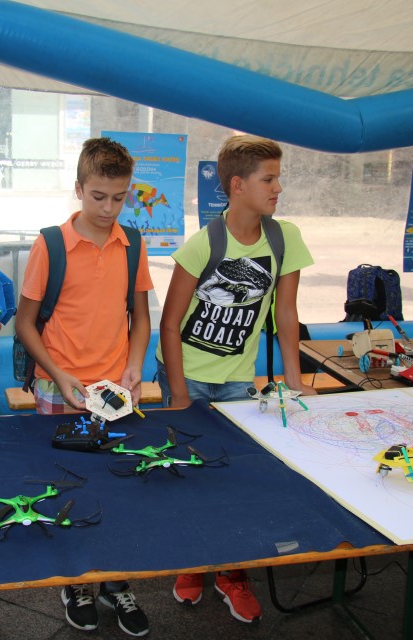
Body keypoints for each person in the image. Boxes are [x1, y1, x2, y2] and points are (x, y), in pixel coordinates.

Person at [157, 134, 315, 623]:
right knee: (188, 475)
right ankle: (193, 562)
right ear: (237, 185)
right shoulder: (204, 244)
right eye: (269, 179)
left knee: (235, 480)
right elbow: (169, 324)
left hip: (237, 382)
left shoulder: (285, 238)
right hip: (186, 377)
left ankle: (233, 572)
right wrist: (178, 393)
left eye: (278, 178)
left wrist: (294, 380)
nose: (278, 188)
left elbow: (286, 314)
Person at [15, 137, 153, 637]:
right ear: (78, 189)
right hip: (60, 388)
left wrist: (134, 367)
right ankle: (76, 580)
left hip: (115, 390)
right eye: (98, 196)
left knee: (117, 485)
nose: (108, 208)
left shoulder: (132, 243)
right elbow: (24, 323)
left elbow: (141, 316)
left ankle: (115, 580)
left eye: (119, 197)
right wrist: (58, 374)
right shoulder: (50, 244)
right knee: (66, 485)